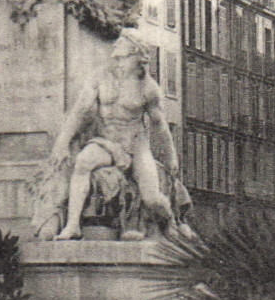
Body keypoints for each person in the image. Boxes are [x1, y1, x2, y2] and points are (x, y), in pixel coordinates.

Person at [36, 34, 185, 241]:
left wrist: (171, 158)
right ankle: (72, 225)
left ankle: (169, 220)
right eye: (116, 57)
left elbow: (160, 126)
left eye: (121, 54)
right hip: (106, 142)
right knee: (82, 163)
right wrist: (61, 144)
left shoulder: (149, 88)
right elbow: (79, 113)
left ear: (135, 55)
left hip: (135, 145)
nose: (116, 57)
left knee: (152, 199)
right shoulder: (100, 77)